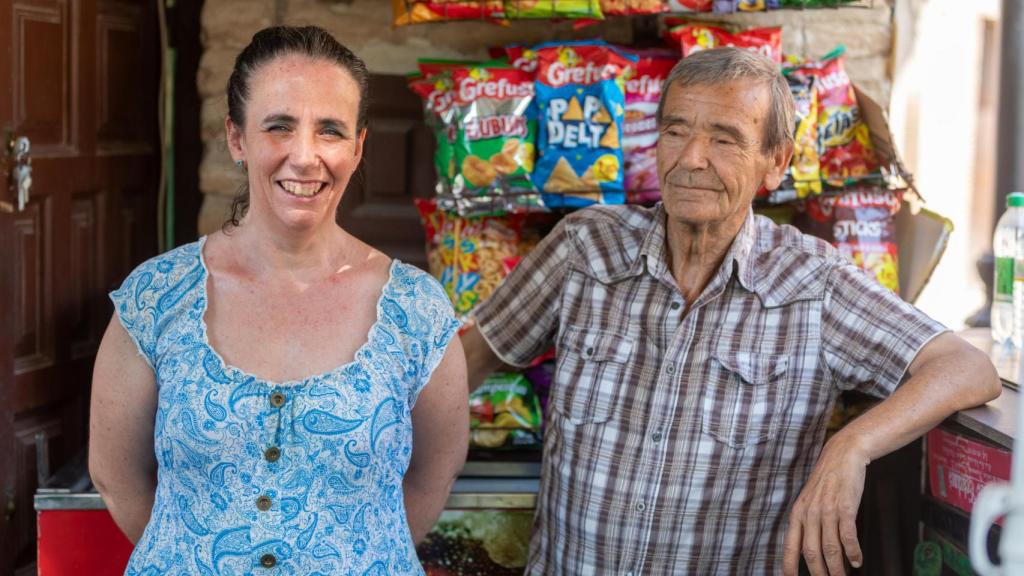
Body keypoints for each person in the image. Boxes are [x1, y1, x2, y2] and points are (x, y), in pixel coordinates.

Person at [461, 47, 1001, 575]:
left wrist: (851, 446)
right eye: (676, 131)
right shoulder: (586, 248)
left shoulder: (812, 284)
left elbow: (967, 368)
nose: (691, 158)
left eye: (724, 139)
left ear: (777, 162)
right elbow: (464, 363)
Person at [89, 25, 467, 574]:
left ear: (358, 148)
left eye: (331, 130)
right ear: (237, 138)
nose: (305, 156)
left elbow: (435, 473)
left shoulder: (417, 309)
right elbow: (115, 475)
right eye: (280, 126)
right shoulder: (157, 295)